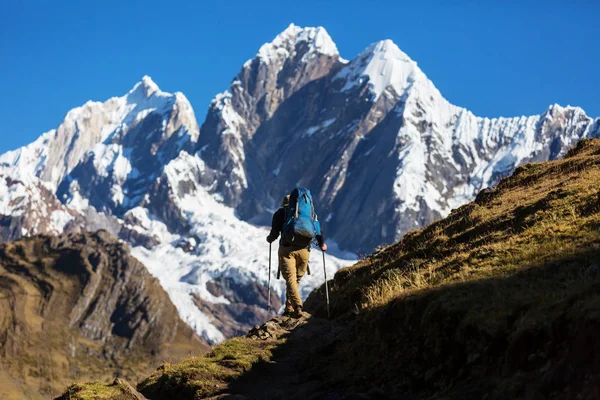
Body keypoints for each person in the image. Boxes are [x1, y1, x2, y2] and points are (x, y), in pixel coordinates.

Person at [267, 191, 327, 318]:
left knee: (290, 280)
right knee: (296, 280)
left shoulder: (280, 213)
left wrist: (270, 239)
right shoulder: (310, 214)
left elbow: (274, 233)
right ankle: (289, 309)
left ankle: (298, 307)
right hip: (305, 251)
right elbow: (318, 231)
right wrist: (322, 244)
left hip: (287, 250)